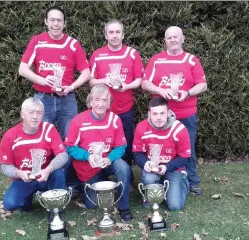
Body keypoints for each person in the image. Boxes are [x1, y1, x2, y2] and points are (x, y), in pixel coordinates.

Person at [141, 26, 207, 195]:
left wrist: (187, 92)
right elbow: (144, 83)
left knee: (188, 148)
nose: (172, 40)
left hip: (186, 113)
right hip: (161, 115)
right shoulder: (157, 60)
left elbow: (203, 85)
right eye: (169, 38)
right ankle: (157, 176)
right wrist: (160, 90)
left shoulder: (192, 60)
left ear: (183, 38)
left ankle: (191, 180)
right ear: (165, 41)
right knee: (158, 147)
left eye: (175, 37)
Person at [18, 5, 90, 141]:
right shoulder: (37, 41)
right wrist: (43, 81)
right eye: (52, 20)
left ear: (64, 23)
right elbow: (22, 69)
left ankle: (67, 164)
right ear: (46, 21)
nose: (55, 24)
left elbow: (86, 73)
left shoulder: (73, 44)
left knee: (70, 139)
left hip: (67, 99)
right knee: (41, 139)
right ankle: (47, 164)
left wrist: (71, 87)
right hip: (42, 99)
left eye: (59, 20)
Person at [64, 84, 133, 221]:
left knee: (123, 167)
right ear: (90, 101)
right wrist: (87, 156)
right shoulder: (78, 121)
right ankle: (88, 184)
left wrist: (109, 159)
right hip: (88, 166)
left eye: (105, 100)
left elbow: (121, 146)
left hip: (107, 162)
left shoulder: (114, 119)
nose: (101, 104)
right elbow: (70, 147)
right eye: (97, 99)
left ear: (109, 103)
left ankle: (124, 207)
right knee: (92, 204)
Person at [89, 19, 144, 183]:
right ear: (105, 35)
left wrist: (126, 86)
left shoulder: (132, 54)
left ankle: (125, 176)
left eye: (117, 32)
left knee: (125, 145)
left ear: (123, 34)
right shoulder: (97, 55)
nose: (114, 35)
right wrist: (104, 80)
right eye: (111, 32)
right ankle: (101, 175)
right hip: (102, 111)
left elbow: (139, 80)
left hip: (124, 109)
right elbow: (91, 81)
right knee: (102, 144)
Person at [0, 97, 68, 212]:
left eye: (39, 112)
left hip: (46, 176)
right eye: (31, 112)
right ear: (22, 114)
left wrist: (49, 169)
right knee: (10, 203)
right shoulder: (10, 135)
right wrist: (19, 173)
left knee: (58, 173)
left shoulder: (49, 129)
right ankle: (27, 200)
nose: (35, 116)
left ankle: (55, 207)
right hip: (24, 178)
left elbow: (63, 155)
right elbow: (4, 166)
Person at [133, 97, 191, 210]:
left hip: (173, 168)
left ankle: (183, 183)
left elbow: (185, 157)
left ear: (168, 113)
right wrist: (145, 163)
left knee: (174, 206)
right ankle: (156, 187)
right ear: (149, 114)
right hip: (153, 168)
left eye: (162, 113)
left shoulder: (179, 129)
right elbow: (137, 153)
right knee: (149, 203)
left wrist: (167, 167)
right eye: (155, 114)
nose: (158, 117)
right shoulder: (141, 127)